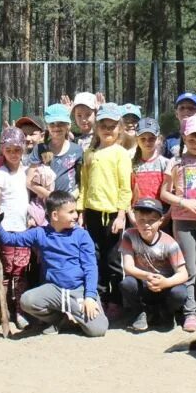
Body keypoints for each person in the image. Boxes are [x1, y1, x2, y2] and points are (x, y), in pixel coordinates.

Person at [0, 190, 108, 337]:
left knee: (98, 329)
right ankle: (59, 320)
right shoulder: (39, 233)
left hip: (79, 291)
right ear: (55, 215)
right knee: (27, 300)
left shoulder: (82, 235)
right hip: (55, 291)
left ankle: (78, 312)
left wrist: (90, 297)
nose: (76, 215)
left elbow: (91, 267)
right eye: (71, 212)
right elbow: (10, 239)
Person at [160, 115, 196, 331]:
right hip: (182, 221)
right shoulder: (176, 162)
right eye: (192, 138)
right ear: (184, 137)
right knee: (189, 268)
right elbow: (164, 193)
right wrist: (183, 202)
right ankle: (189, 311)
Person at [79, 103, 132, 311]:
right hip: (92, 213)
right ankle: (99, 297)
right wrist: (81, 211)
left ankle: (116, 300)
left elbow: (124, 187)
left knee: (113, 260)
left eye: (112, 126)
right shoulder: (89, 153)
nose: (108, 130)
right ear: (97, 128)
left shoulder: (120, 153)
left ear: (119, 128)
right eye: (104, 125)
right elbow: (84, 184)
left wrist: (120, 215)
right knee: (94, 256)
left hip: (112, 215)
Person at [118, 198, 188, 331]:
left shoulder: (170, 243)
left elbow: (183, 273)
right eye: (141, 220)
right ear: (135, 219)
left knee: (180, 293)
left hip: (164, 286)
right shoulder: (129, 235)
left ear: (160, 221)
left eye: (151, 221)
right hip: (144, 284)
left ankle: (167, 312)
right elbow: (128, 266)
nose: (146, 225)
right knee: (127, 284)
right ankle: (140, 312)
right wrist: (148, 276)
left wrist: (165, 282)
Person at [0, 127, 34, 327]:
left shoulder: (28, 171)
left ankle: (20, 311)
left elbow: (34, 196)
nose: (13, 154)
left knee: (22, 271)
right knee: (7, 271)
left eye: (17, 149)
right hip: (6, 229)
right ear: (3, 150)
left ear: (23, 149)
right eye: (9, 150)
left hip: (25, 230)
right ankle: (5, 309)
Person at [35, 104, 83, 197]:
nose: (56, 127)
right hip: (46, 204)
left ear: (68, 125)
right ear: (47, 126)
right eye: (52, 124)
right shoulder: (40, 149)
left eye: (61, 123)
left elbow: (81, 180)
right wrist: (53, 198)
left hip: (69, 203)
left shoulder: (77, 150)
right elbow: (30, 182)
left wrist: (73, 195)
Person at [131, 118, 171, 205]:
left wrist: (166, 217)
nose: (147, 142)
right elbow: (127, 192)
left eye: (152, 138)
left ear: (159, 139)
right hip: (137, 214)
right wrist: (131, 215)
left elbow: (171, 193)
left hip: (160, 213)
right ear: (136, 139)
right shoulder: (131, 164)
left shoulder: (167, 164)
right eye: (143, 139)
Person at [162, 91, 196, 159]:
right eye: (182, 108)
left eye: (191, 108)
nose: (186, 111)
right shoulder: (169, 141)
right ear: (176, 113)